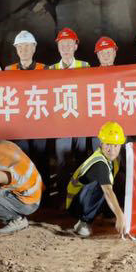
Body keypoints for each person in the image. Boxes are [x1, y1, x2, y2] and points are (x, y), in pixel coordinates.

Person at [48, 28, 90, 193]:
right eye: (62, 44)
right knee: (62, 161)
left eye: (69, 44)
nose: (66, 48)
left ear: (75, 46)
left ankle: (80, 194)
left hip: (80, 122)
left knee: (81, 159)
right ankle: (62, 195)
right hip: (61, 124)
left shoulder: (85, 66)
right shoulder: (51, 70)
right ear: (58, 47)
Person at [67, 122, 127, 237]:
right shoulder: (99, 163)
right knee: (103, 186)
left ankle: (108, 214)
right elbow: (108, 191)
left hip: (85, 198)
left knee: (121, 179)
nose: (112, 150)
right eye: (108, 145)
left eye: (115, 146)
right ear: (101, 143)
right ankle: (84, 221)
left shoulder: (113, 160)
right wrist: (119, 215)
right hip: (77, 205)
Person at [4, 31, 47, 159]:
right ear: (16, 49)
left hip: (39, 120)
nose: (24, 50)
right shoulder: (8, 70)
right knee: (21, 157)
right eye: (20, 47)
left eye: (27, 46)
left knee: (40, 156)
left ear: (34, 48)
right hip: (19, 122)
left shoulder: (44, 69)